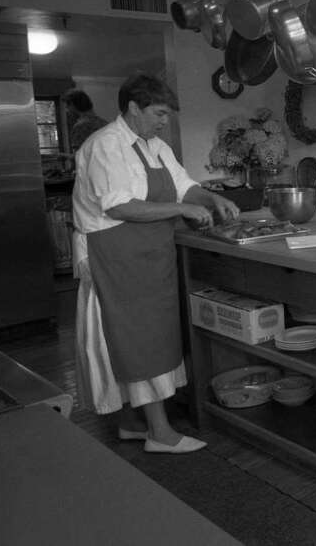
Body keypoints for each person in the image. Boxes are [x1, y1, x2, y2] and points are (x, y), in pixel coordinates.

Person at [71, 74, 240, 454]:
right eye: (159, 113)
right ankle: (160, 434)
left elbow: (185, 186)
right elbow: (120, 206)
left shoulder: (156, 146)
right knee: (135, 340)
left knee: (155, 335)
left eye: (167, 115)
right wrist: (184, 208)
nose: (165, 121)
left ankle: (133, 423)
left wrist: (210, 199)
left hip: (150, 252)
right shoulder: (105, 146)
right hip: (114, 255)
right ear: (133, 107)